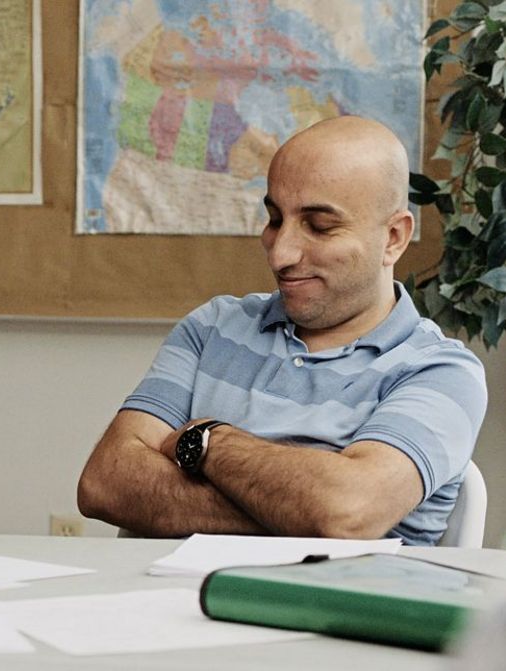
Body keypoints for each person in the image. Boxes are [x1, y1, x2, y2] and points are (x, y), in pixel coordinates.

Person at [77, 116, 487, 546]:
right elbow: (105, 484)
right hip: (156, 605)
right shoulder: (212, 327)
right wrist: (295, 508)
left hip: (327, 613)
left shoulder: (442, 372)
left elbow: (347, 511)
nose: (281, 254)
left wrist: (205, 441)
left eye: (320, 226)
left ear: (393, 238)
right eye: (274, 219)